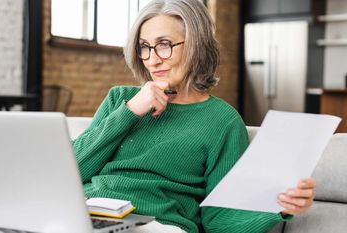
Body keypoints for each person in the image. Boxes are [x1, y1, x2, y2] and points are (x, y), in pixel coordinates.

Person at [72, 0, 316, 232]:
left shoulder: (222, 121)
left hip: (155, 225)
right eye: (144, 47)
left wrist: (279, 207)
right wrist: (130, 112)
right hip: (85, 215)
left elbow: (218, 220)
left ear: (195, 45)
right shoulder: (121, 100)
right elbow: (70, 172)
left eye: (164, 44)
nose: (153, 59)